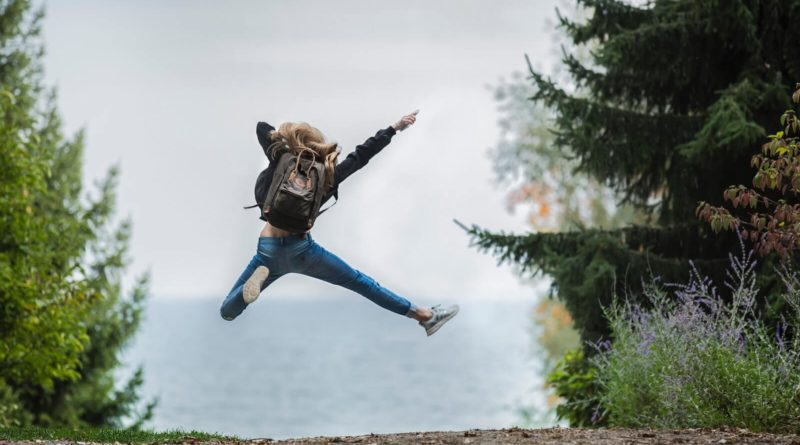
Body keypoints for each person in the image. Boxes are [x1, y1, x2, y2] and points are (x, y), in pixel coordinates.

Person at [219, 110, 459, 336]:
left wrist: (286, 142)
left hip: (268, 249)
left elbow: (262, 128)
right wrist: (394, 128)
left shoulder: (281, 159)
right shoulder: (326, 175)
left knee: (227, 312)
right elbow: (361, 156)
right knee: (361, 283)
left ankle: (248, 292)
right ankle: (425, 316)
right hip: (302, 251)